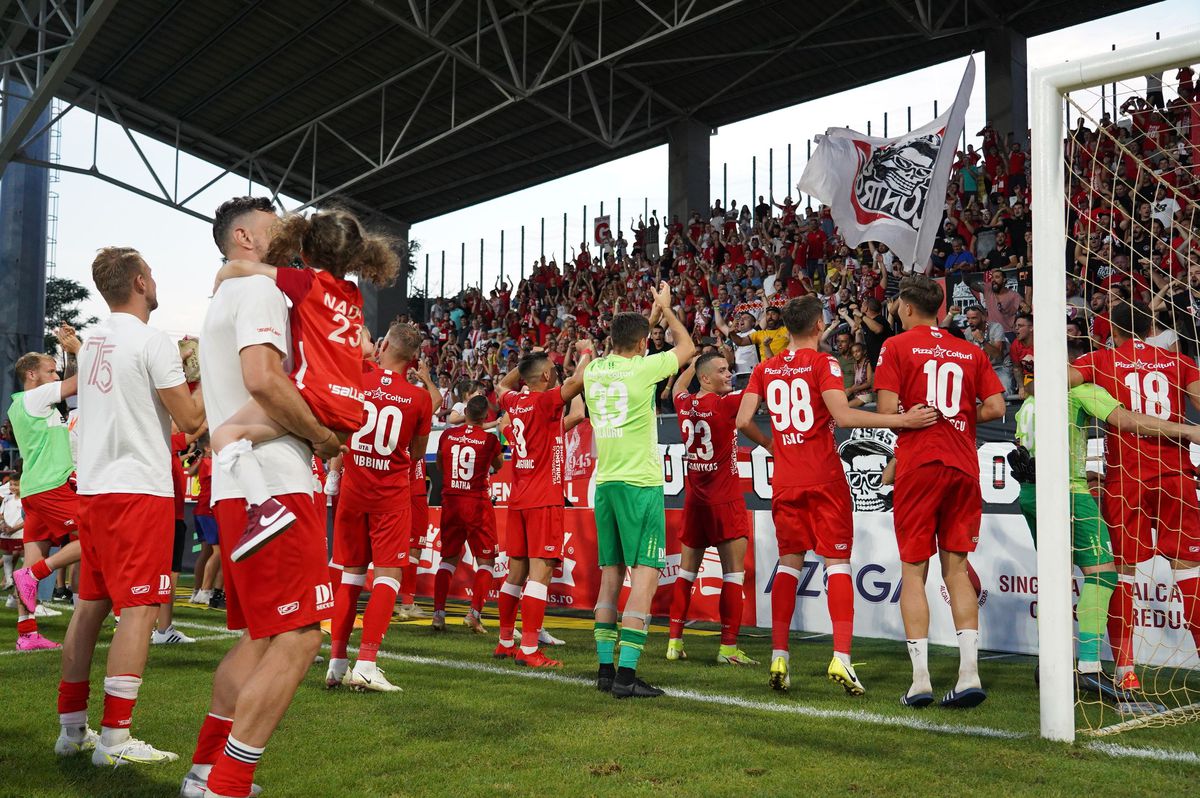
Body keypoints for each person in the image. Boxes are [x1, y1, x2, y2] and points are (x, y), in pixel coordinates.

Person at [181, 196, 343, 798]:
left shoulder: (226, 294)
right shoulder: (259, 293)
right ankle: (228, 784)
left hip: (238, 485)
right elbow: (263, 378)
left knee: (261, 638)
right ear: (245, 238)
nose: (288, 231)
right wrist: (322, 434)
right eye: (275, 225)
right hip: (271, 481)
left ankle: (204, 773)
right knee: (300, 637)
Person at [736, 296, 937, 695]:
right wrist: (903, 419)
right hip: (823, 478)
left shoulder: (764, 368)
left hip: (786, 481)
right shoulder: (822, 363)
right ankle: (841, 658)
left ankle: (780, 655)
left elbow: (743, 421)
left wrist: (773, 446)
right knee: (837, 563)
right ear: (818, 325)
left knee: (789, 565)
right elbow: (843, 417)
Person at [56, 247, 206, 766]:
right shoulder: (153, 340)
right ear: (141, 281)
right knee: (139, 610)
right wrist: (207, 373)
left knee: (89, 607)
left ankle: (72, 731)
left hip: (95, 488)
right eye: (154, 274)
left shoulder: (93, 338)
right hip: (137, 490)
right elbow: (190, 421)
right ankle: (115, 741)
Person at [209, 209, 400, 563]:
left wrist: (223, 273)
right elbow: (361, 347)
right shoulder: (353, 295)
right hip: (350, 410)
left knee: (225, 437)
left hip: (315, 396)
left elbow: (248, 269)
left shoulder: (304, 283)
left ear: (305, 251)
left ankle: (262, 507)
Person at [1011, 366, 1200, 699]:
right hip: (1068, 493)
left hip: (1030, 494)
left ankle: (1050, 661)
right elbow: (1127, 422)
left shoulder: (1029, 398)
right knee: (1104, 576)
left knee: (1055, 576)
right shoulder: (1081, 389)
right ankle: (1089, 667)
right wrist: (1188, 430)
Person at [873, 274, 1006, 708]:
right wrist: (957, 414)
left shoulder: (895, 346)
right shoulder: (969, 350)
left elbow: (889, 411)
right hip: (963, 465)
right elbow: (997, 407)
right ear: (942, 309)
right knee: (956, 569)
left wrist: (920, 413)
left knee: (914, 572)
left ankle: (921, 681)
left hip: (919, 465)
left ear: (908, 308)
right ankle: (969, 674)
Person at [1072, 302, 1200, 691]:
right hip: (1176, 475)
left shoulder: (1102, 359)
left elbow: (1054, 380)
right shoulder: (1177, 360)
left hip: (1126, 479)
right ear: (1150, 327)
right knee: (1190, 571)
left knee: (1121, 575)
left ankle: (1125, 670)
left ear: (1111, 327)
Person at [584, 282, 694, 698]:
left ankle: (605, 670)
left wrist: (647, 319)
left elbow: (632, 350)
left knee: (610, 578)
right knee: (644, 579)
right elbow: (686, 346)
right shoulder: (643, 370)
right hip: (640, 484)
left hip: (607, 484)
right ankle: (628, 678)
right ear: (644, 343)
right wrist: (665, 310)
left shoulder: (595, 369)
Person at [326, 322, 432, 692]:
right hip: (390, 495)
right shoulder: (420, 399)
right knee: (388, 576)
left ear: (384, 344)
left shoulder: (358, 379)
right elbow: (417, 454)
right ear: (414, 358)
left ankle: (337, 662)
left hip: (353, 490)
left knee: (351, 577)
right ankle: (367, 662)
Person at [494, 340, 593, 668]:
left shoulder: (515, 401)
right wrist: (586, 352)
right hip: (543, 499)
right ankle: (530, 648)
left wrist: (525, 365)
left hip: (518, 497)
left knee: (516, 572)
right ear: (548, 376)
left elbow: (502, 385)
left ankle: (506, 641)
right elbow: (578, 382)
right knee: (540, 572)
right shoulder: (544, 403)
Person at [666, 353, 755, 665]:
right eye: (722, 370)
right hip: (725, 500)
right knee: (734, 575)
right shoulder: (725, 404)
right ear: (705, 378)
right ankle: (728, 649)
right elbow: (759, 389)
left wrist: (691, 363)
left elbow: (677, 386)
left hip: (695, 501)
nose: (729, 374)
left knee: (687, 572)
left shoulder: (682, 403)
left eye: (729, 369)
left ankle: (674, 642)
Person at [8, 327, 85, 651]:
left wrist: (67, 356)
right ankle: (36, 575)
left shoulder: (22, 404)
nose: (56, 376)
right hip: (52, 485)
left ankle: (27, 633)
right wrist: (80, 350)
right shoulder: (36, 396)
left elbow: (68, 384)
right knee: (94, 537)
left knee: (31, 555)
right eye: (50, 371)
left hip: (35, 488)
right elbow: (77, 385)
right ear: (31, 375)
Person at [433, 395, 502, 634]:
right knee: (486, 562)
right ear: (485, 417)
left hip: (451, 500)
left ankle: (438, 614)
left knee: (448, 559)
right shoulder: (489, 440)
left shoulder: (447, 435)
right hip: (476, 504)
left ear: (467, 413)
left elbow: (441, 463)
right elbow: (500, 465)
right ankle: (473, 614)